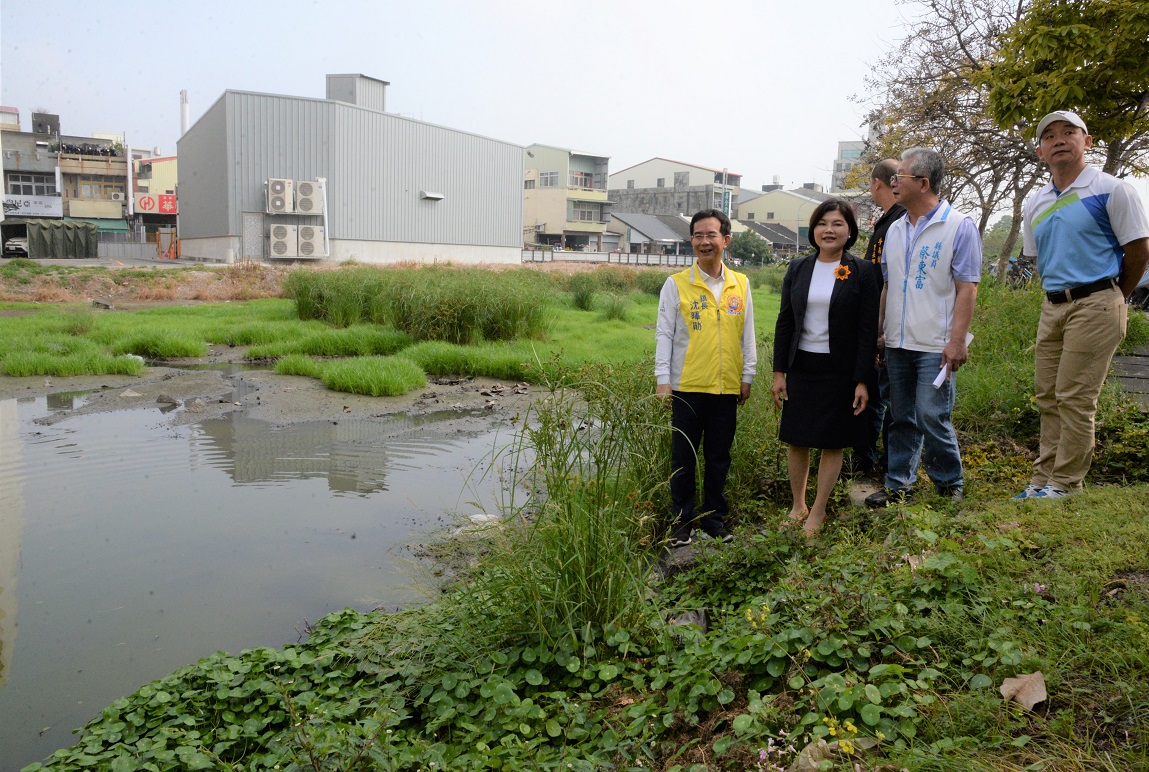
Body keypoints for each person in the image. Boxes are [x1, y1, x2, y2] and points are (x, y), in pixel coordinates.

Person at [1011, 110, 1149, 499]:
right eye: (1049, 135)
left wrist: (1116, 296)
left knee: (1075, 396)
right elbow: (1037, 257)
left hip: (1097, 302)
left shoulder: (1112, 189)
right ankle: (1042, 481)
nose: (1058, 139)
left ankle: (1065, 484)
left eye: (1068, 132)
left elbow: (1139, 251)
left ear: (1086, 142)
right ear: (1040, 152)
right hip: (1053, 305)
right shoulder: (1036, 202)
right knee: (1048, 395)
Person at [865, 147, 982, 507]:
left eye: (899, 176)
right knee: (901, 417)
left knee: (932, 414)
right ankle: (899, 484)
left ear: (923, 183)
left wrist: (957, 341)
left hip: (936, 344)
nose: (893, 182)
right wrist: (881, 333)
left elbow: (967, 288)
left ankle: (949, 484)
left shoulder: (958, 226)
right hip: (898, 343)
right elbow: (888, 286)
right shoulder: (895, 229)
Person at [773, 199, 878, 534]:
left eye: (837, 224)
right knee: (797, 439)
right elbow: (785, 321)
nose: (828, 230)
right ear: (813, 229)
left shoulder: (862, 271)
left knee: (833, 442)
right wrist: (778, 372)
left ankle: (818, 510)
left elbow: (867, 330)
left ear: (850, 231)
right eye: (822, 223)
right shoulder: (798, 267)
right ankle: (798, 505)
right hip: (802, 365)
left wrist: (862, 380)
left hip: (840, 370)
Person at [655, 209, 757, 546]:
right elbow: (664, 334)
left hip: (726, 386)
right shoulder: (676, 284)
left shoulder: (740, 283)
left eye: (711, 235)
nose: (704, 241)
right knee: (683, 458)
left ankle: (714, 519)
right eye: (698, 235)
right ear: (691, 241)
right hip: (687, 386)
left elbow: (747, 333)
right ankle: (681, 523)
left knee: (718, 458)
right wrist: (663, 378)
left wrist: (747, 374)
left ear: (725, 240)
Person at [851, 159, 905, 477]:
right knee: (871, 393)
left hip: (889, 325)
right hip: (874, 321)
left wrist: (881, 328)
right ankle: (865, 459)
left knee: (890, 398)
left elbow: (888, 281)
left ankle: (889, 465)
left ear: (876, 183)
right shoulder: (886, 222)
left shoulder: (901, 222)